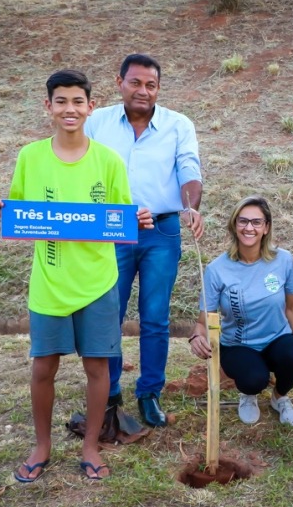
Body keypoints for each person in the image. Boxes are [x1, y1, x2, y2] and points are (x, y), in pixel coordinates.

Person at [0, 69, 153, 480]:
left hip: (97, 282)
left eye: (78, 101)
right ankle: (42, 446)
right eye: (61, 101)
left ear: (91, 107)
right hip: (49, 282)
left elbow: (121, 217)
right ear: (48, 107)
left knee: (97, 368)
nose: (69, 109)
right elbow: (21, 211)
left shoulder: (108, 160)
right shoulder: (31, 156)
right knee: (43, 368)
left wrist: (139, 219)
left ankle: (91, 447)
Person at [84, 53, 204, 427]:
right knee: (109, 315)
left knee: (155, 317)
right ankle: (110, 389)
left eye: (150, 85)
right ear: (119, 82)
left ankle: (149, 392)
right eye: (135, 82)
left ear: (158, 89)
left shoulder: (178, 124)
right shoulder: (97, 122)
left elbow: (189, 167)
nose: (143, 90)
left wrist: (190, 207)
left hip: (162, 231)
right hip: (111, 231)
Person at [189, 196, 293, 426]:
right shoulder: (217, 269)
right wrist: (197, 336)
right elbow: (203, 318)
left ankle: (280, 398)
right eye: (243, 221)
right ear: (234, 226)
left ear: (266, 227)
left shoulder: (283, 260)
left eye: (256, 222)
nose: (249, 228)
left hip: (277, 338)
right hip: (238, 344)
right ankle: (248, 395)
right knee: (254, 379)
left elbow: (292, 308)